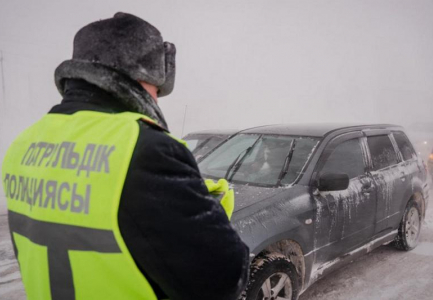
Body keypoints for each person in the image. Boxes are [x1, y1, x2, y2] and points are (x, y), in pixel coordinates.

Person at [1, 13, 249, 300]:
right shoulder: (146, 148)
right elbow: (224, 279)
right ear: (143, 78)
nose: (157, 99)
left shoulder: (25, 143)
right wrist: (210, 210)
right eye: (158, 89)